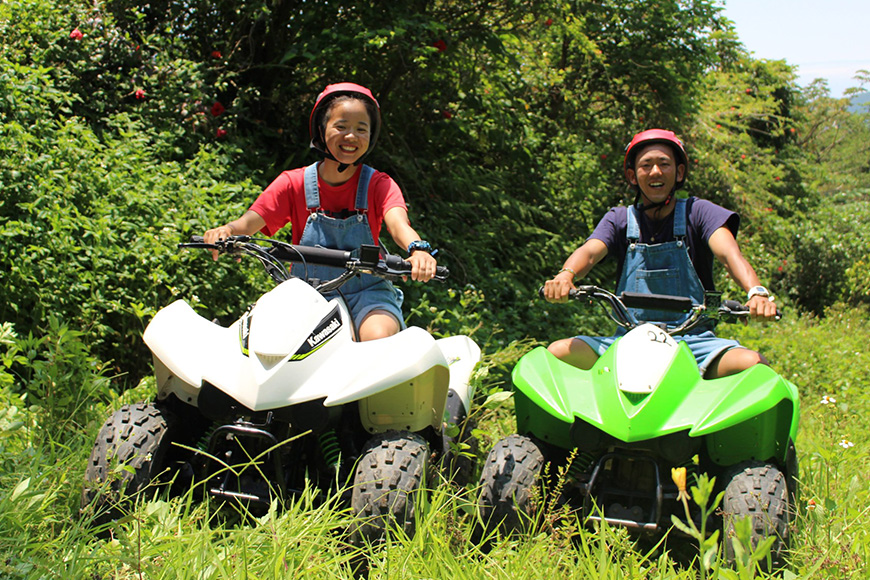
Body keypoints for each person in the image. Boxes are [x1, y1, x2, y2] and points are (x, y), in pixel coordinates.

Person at [203, 82, 438, 341]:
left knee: (378, 336)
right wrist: (227, 231)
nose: (351, 136)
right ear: (321, 130)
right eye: (341, 126)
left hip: (368, 290)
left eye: (362, 129)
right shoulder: (293, 183)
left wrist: (418, 249)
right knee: (275, 334)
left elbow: (398, 224)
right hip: (308, 292)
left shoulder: (377, 184)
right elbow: (248, 223)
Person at [542, 129, 778, 379]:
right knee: (558, 353)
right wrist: (565, 277)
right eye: (646, 165)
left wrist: (756, 293)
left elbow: (730, 256)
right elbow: (589, 252)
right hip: (629, 339)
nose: (655, 172)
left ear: (680, 173)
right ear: (633, 176)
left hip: (695, 343)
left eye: (664, 164)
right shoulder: (620, 219)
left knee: (754, 365)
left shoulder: (699, 213)